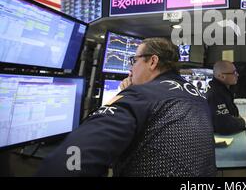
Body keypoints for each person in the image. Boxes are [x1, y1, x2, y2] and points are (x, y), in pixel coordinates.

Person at [36, 38, 216, 177]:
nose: (130, 69)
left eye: (134, 60)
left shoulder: (141, 95)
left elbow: (70, 160)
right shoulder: (197, 95)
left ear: (152, 61)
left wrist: (123, 96)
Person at [207, 60, 246, 135]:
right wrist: (244, 121)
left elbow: (232, 114)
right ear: (221, 76)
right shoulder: (215, 94)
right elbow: (224, 125)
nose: (237, 75)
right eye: (234, 73)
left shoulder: (223, 90)